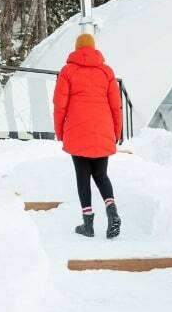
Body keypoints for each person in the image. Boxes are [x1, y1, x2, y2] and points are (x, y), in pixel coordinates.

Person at [53, 32, 123, 238]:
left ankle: (88, 224)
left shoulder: (67, 71)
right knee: (101, 175)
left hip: (77, 130)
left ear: (77, 48)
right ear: (93, 48)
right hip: (103, 129)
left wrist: (60, 131)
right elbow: (116, 106)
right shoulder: (106, 72)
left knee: (83, 177)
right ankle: (112, 212)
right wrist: (116, 132)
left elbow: (59, 105)